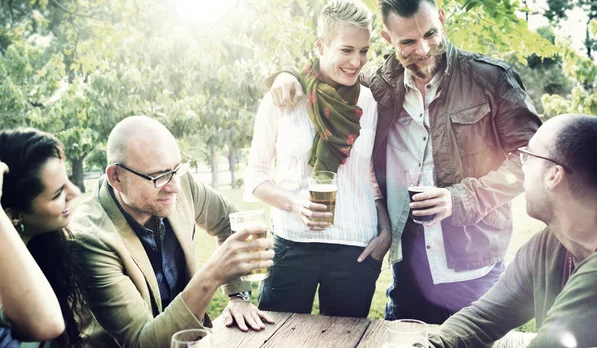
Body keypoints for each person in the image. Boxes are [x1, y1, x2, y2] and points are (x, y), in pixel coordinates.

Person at [269, 0, 543, 324]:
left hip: (475, 267)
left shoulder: (491, 80)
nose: (423, 49)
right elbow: (330, 73)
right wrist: (286, 76)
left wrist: (460, 198)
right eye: (408, 42)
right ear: (387, 40)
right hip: (409, 271)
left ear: (441, 20)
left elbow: (532, 160)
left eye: (430, 34)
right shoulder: (377, 86)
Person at [70, 116, 275, 348]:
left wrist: (239, 296)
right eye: (158, 177)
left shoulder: (179, 183)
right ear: (116, 177)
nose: (176, 186)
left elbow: (231, 222)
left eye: (177, 169)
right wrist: (212, 275)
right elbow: (141, 343)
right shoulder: (90, 238)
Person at [245, 0, 392, 318]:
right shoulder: (283, 97)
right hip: (292, 243)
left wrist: (385, 233)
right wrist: (295, 204)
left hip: (357, 248)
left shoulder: (371, 103)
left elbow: (372, 177)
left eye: (364, 51)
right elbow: (256, 177)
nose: (357, 61)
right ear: (320, 45)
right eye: (347, 50)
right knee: (277, 338)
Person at [429, 114, 597, 347]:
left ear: (554, 176)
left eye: (527, 156)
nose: (522, 166)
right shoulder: (547, 246)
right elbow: (482, 319)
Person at [0, 128, 89, 347]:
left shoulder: (48, 246)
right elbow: (48, 323)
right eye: (58, 193)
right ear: (13, 216)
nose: (75, 192)